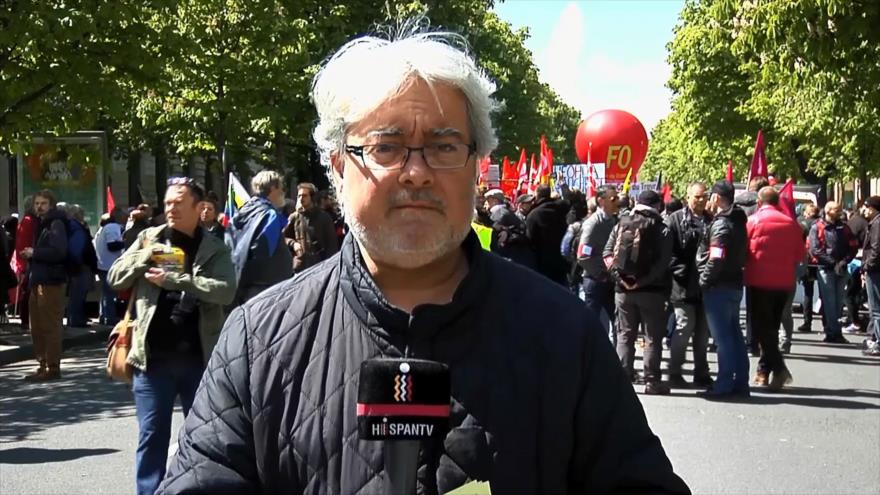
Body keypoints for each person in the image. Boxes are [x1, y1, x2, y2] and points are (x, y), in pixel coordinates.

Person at [157, 28, 689, 494]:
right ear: (339, 165)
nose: (416, 172)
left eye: (443, 146)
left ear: (476, 165)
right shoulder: (257, 339)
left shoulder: (565, 333)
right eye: (386, 148)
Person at [107, 177, 236, 495]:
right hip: (152, 361)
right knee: (152, 438)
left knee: (205, 439)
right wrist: (143, 257)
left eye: (179, 203)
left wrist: (181, 282)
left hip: (199, 361)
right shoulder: (150, 238)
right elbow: (114, 277)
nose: (171, 208)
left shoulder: (213, 248)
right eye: (167, 203)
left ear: (199, 207)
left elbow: (225, 291)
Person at [604, 190, 673, 394]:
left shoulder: (621, 223)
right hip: (652, 292)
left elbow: (607, 254)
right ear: (657, 205)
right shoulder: (662, 229)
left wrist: (621, 280)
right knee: (652, 337)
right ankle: (651, 381)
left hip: (622, 291)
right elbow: (663, 264)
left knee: (625, 334)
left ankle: (622, 379)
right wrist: (641, 282)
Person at [745, 187, 805, 390]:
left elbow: (743, 250)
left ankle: (778, 369)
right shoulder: (791, 223)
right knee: (771, 328)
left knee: (763, 331)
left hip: (759, 281)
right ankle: (763, 372)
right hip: (783, 283)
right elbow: (800, 255)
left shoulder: (753, 221)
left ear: (759, 202)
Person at [696, 181, 749, 399]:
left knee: (723, 338)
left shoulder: (721, 225)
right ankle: (740, 381)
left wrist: (704, 281)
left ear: (717, 198)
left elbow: (716, 258)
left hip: (719, 285)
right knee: (734, 335)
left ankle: (725, 382)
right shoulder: (738, 221)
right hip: (734, 283)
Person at [666, 182, 714, 389]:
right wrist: (681, 271)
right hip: (682, 286)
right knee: (683, 328)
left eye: (704, 197)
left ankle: (701, 372)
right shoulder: (675, 220)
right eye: (697, 197)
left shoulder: (712, 221)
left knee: (703, 333)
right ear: (688, 197)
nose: (701, 201)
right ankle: (675, 371)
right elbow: (667, 253)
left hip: (706, 286)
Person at [225, 170, 293, 305]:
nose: (283, 193)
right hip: (267, 291)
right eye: (281, 188)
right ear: (273, 188)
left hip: (242, 289)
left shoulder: (242, 213)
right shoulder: (270, 215)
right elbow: (263, 253)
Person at [20, 190, 68, 381]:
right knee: (37, 326)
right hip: (38, 280)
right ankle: (43, 364)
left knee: (49, 325)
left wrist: (35, 253)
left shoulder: (56, 223)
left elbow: (59, 252)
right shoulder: (41, 223)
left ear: (51, 205)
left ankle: (52, 367)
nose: (39, 206)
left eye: (44, 203)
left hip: (51, 281)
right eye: (37, 203)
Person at [809, 201, 859, 343]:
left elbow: (853, 246)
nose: (840, 212)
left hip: (841, 268)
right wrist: (833, 262)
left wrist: (844, 262)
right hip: (825, 268)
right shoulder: (817, 226)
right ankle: (833, 331)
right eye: (836, 210)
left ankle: (834, 330)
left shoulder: (844, 227)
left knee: (838, 302)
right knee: (830, 301)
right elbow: (815, 249)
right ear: (828, 211)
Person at [577, 185, 619, 339]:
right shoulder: (593, 223)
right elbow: (583, 254)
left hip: (610, 279)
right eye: (613, 199)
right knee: (591, 323)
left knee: (618, 321)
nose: (617, 202)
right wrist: (599, 274)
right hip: (595, 281)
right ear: (601, 201)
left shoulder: (614, 220)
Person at [283, 182, 339, 273]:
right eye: (299, 196)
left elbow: (332, 245)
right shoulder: (295, 217)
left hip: (320, 266)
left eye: (304, 196)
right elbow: (282, 237)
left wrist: (332, 267)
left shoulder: (324, 217)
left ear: (312, 197)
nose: (301, 199)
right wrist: (293, 244)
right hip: (300, 267)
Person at [525, 185, 570, 285]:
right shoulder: (561, 210)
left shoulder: (533, 215)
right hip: (561, 262)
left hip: (543, 264)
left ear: (537, 195)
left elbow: (529, 240)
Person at [63, 204, 97, 328]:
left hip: (78, 265)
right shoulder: (76, 227)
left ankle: (75, 319)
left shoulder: (73, 226)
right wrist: (78, 263)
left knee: (76, 294)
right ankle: (76, 320)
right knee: (78, 294)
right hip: (81, 266)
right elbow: (77, 248)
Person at [482, 188, 535, 269]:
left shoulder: (498, 213)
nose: (486, 203)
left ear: (494, 201)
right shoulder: (506, 212)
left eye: (488, 201)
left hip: (508, 258)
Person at [94, 207, 127, 325]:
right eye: (125, 216)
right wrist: (126, 243)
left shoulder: (102, 229)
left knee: (105, 293)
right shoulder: (112, 227)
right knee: (110, 294)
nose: (126, 218)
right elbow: (112, 245)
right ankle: (110, 317)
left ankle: (104, 316)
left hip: (102, 264)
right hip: (109, 265)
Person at [12, 196, 37, 329]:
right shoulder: (28, 221)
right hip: (28, 260)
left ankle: (27, 320)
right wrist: (24, 262)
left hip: (28, 259)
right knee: (27, 291)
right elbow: (23, 243)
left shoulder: (28, 221)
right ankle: (26, 320)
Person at [844, 202, 869, 333]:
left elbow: (850, 243)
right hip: (863, 260)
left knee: (849, 293)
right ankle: (855, 320)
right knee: (857, 292)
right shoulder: (866, 223)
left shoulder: (854, 223)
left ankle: (854, 321)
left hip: (856, 261)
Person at [861, 196, 880, 356]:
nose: (864, 210)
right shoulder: (874, 223)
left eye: (866, 207)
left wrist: (867, 266)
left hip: (875, 270)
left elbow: (876, 249)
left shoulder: (877, 224)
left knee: (876, 308)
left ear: (873, 208)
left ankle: (878, 342)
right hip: (874, 268)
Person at [797, 203, 820, 332]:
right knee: (825, 293)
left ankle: (807, 322)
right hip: (822, 261)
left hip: (808, 260)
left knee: (808, 292)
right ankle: (828, 323)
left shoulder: (801, 223)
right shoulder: (821, 223)